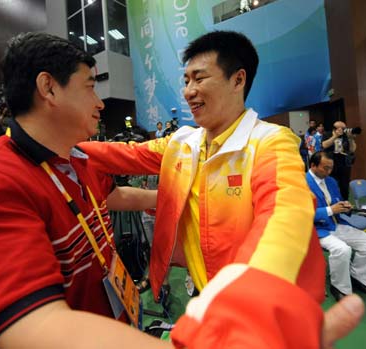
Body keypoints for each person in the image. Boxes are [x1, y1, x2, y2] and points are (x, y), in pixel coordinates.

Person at [79, 30, 355, 347]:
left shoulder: (269, 142)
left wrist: (238, 301)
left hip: (258, 310)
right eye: (185, 81)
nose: (188, 91)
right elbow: (123, 154)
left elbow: (283, 219)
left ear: (238, 80)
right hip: (209, 296)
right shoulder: (183, 142)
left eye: (199, 78)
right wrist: (53, 142)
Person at [0, 32, 168, 349]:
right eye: (90, 87)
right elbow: (33, 326)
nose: (99, 103)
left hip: (108, 323)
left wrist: (171, 199)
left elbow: (111, 197)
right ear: (49, 88)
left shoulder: (76, 157)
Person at [306, 151, 366, 301]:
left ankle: (357, 275)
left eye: (331, 168)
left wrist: (344, 205)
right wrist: (330, 210)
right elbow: (302, 213)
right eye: (325, 168)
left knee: (365, 241)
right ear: (313, 165)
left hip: (336, 224)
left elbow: (337, 200)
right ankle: (340, 287)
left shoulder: (331, 181)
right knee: (342, 249)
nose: (329, 172)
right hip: (317, 229)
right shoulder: (301, 183)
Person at [322, 121, 357, 200]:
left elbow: (352, 150)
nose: (343, 130)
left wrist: (351, 139)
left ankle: (345, 203)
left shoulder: (346, 136)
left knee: (344, 186)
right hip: (331, 163)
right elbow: (324, 145)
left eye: (344, 128)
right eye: (341, 128)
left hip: (344, 164)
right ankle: (332, 203)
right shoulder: (327, 134)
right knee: (330, 184)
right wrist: (335, 136)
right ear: (334, 129)